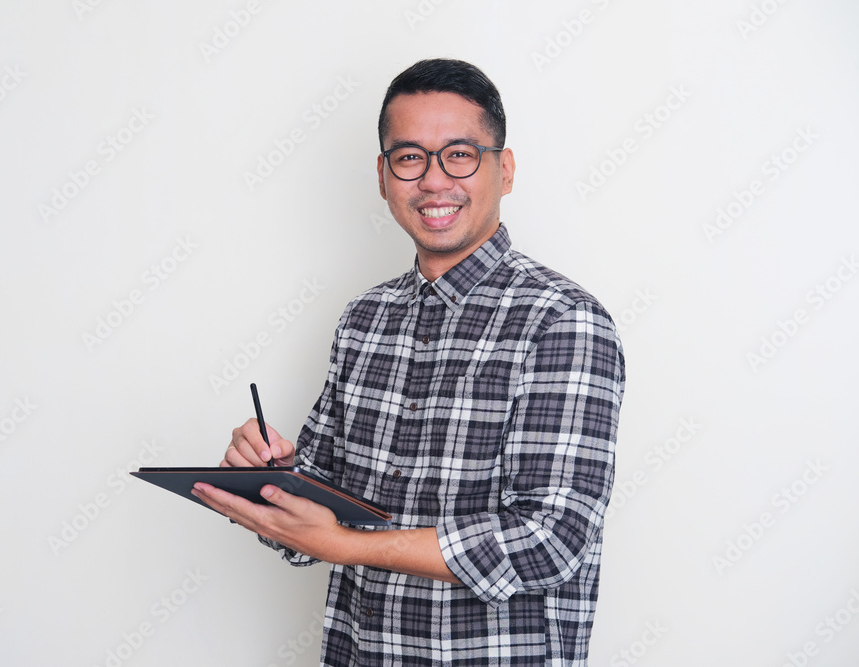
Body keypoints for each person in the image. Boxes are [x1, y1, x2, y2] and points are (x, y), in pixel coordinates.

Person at [192, 58, 625, 666]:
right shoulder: (363, 319)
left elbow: (550, 541)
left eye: (460, 155)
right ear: (383, 175)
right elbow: (320, 514)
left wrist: (345, 546)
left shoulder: (562, 321)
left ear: (504, 170)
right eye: (410, 157)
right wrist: (272, 478)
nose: (433, 180)